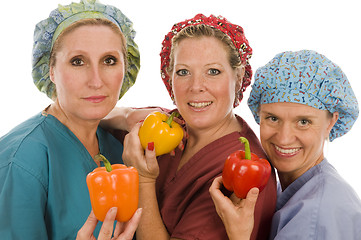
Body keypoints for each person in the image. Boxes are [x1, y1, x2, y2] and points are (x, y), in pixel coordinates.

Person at [111, 14, 277, 240]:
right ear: (169, 77)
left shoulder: (244, 174)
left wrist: (143, 179)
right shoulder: (169, 125)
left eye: (213, 71)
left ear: (238, 78)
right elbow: (99, 114)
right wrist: (128, 115)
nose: (196, 86)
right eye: (183, 72)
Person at [0, 0, 143, 239]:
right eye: (78, 61)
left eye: (109, 60)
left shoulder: (120, 147)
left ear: (126, 67)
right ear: (51, 71)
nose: (96, 81)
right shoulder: (21, 161)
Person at [209, 49, 361, 239]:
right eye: (273, 118)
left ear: (331, 121)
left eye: (303, 122)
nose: (284, 138)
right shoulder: (294, 188)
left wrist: (238, 235)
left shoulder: (318, 213)